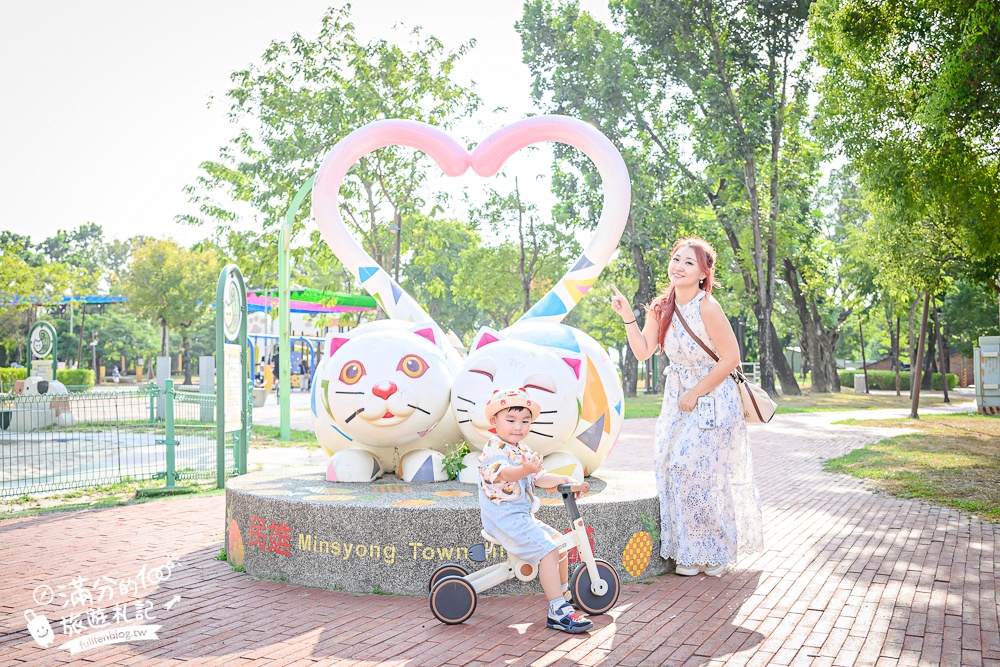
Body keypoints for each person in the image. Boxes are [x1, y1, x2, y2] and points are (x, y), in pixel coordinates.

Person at [610, 238, 763, 576]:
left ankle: (717, 552)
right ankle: (690, 552)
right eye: (676, 259)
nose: (678, 266)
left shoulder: (708, 306)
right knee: (672, 467)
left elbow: (731, 358)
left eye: (689, 263)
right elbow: (643, 351)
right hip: (677, 399)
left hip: (714, 397)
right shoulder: (661, 307)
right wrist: (626, 317)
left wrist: (695, 394)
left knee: (696, 468)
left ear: (704, 274)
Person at [478, 388, 594, 633]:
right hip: (504, 519)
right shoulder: (493, 449)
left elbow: (540, 478)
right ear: (494, 421)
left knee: (558, 545)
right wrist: (525, 470)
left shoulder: (522, 449)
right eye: (510, 420)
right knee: (549, 552)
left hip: (519, 517)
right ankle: (557, 611)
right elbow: (504, 473)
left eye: (525, 421)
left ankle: (562, 593)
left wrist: (564, 479)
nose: (518, 427)